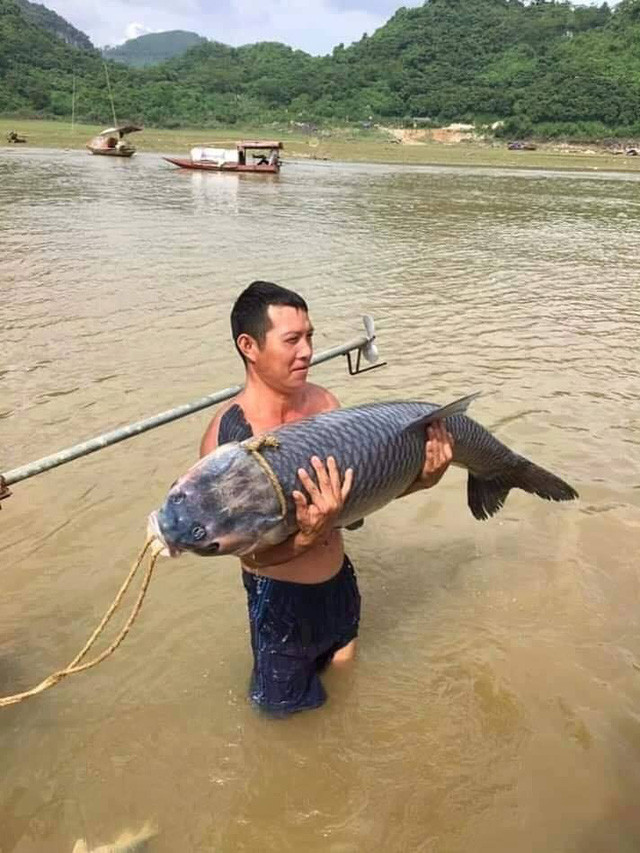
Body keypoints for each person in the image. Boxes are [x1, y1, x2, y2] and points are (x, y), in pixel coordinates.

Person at [200, 281, 454, 715]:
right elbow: (247, 557)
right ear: (249, 346)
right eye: (292, 340)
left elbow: (355, 504)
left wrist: (421, 481)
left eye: (311, 337)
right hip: (281, 608)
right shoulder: (230, 445)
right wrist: (305, 537)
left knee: (346, 702)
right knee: (282, 725)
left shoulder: (325, 405)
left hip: (340, 588)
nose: (307, 351)